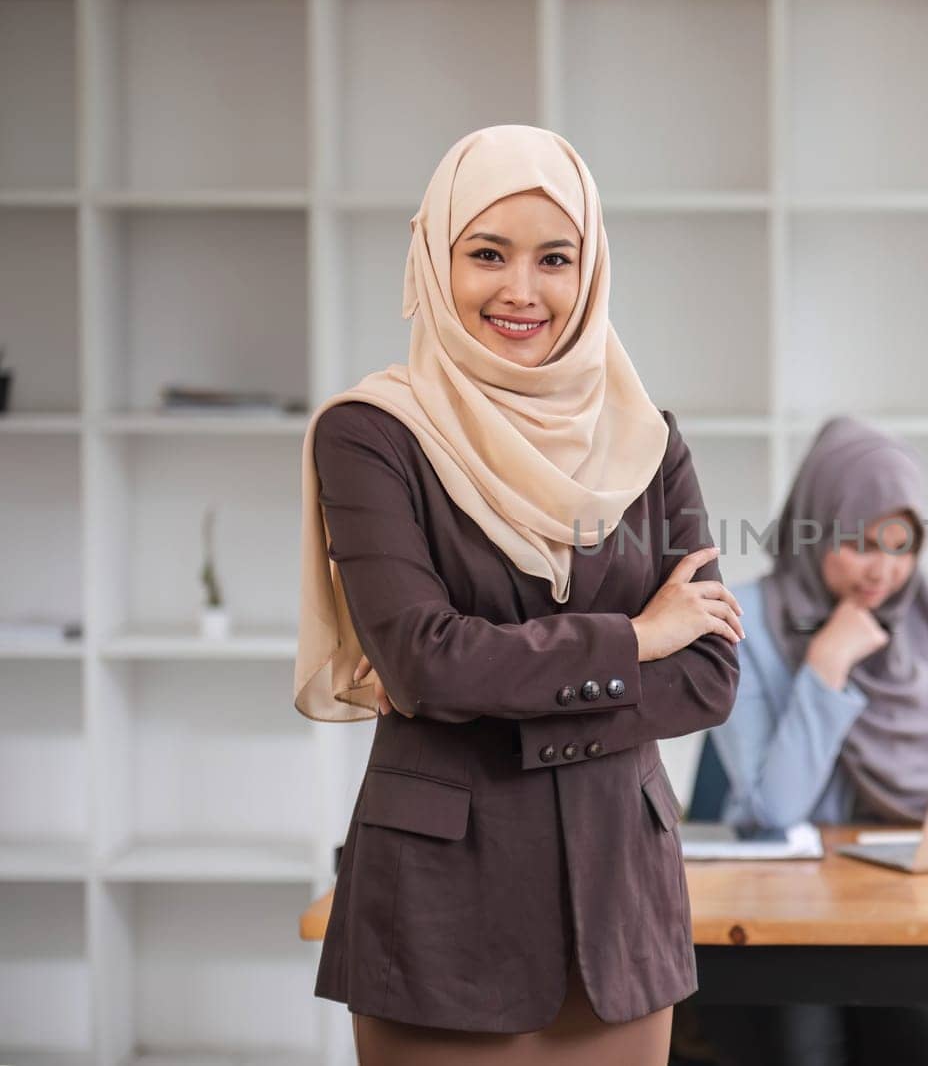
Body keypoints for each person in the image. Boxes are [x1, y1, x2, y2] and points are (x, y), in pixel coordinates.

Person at [291, 125, 742, 1065]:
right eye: (486, 254)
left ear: (592, 270)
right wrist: (634, 638)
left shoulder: (647, 441)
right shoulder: (373, 435)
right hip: (441, 900)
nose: (522, 291)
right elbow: (423, 659)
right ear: (434, 259)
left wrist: (504, 688)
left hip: (622, 896)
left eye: (556, 258)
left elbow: (708, 675)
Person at [693, 415, 928, 1066]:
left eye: (901, 544)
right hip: (780, 920)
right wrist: (825, 666)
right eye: (859, 541)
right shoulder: (738, 622)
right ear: (814, 525)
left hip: (906, 911)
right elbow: (777, 809)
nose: (882, 570)